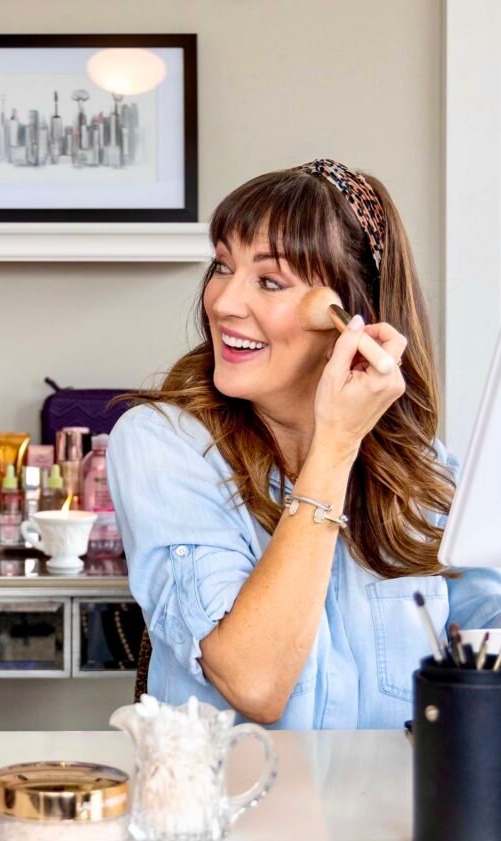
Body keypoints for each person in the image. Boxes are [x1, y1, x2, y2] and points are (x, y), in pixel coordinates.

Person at [108, 159, 501, 729]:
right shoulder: (163, 444)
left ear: (352, 316)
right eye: (222, 266)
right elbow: (254, 682)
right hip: (238, 809)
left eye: (269, 281)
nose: (222, 303)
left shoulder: (421, 468)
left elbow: (483, 626)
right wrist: (336, 446)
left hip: (395, 811)